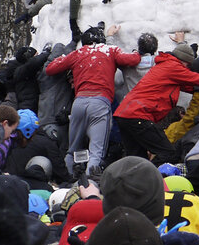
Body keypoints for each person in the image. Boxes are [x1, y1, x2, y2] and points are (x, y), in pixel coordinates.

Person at [44, 24, 141, 175]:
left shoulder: (78, 53)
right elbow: (132, 60)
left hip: (79, 103)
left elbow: (50, 69)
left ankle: (66, 179)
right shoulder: (109, 50)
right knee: (96, 152)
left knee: (73, 150)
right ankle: (91, 185)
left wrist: (63, 57)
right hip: (100, 103)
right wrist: (136, 52)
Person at [112, 42, 199, 164]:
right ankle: (154, 178)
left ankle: (137, 180)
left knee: (137, 159)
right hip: (138, 115)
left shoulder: (165, 66)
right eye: (188, 65)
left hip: (124, 115)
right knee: (168, 153)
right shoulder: (173, 67)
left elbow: (187, 85)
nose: (187, 68)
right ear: (183, 61)